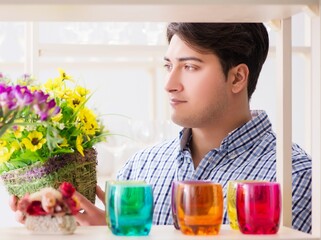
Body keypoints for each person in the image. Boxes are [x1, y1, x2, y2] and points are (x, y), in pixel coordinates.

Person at [10, 22, 312, 233]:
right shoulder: (141, 167)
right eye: (169, 66)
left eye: (190, 67)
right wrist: (53, 221)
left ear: (237, 78)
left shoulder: (293, 176)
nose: (169, 84)